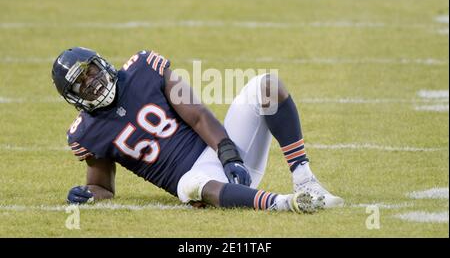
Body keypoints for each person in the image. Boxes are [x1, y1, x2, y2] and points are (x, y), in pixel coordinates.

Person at [51, 47, 344, 213]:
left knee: (267, 86)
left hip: (223, 151)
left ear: (101, 64)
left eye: (90, 71)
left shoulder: (143, 68)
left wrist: (229, 155)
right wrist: (87, 194)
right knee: (191, 186)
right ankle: (284, 204)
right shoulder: (85, 133)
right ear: (73, 97)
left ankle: (305, 180)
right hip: (195, 179)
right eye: (80, 83)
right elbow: (103, 187)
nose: (91, 82)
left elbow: (198, 116)